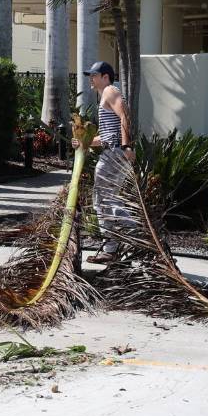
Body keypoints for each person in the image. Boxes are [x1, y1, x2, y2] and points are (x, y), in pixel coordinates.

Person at [79, 61, 133, 265]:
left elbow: (125, 116)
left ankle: (136, 231)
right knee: (105, 200)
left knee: (104, 200)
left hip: (114, 155)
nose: (90, 79)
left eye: (94, 75)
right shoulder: (105, 97)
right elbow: (107, 136)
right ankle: (113, 248)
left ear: (105, 77)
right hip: (113, 152)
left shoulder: (110, 91)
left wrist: (126, 146)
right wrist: (84, 142)